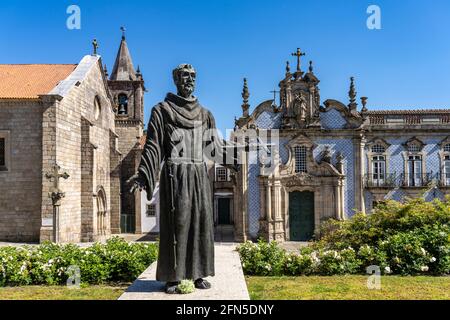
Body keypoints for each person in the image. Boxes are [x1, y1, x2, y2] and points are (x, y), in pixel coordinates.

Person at [128, 64, 239, 294]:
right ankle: (173, 277)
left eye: (193, 77)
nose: (190, 80)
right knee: (178, 226)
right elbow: (154, 145)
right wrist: (144, 174)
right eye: (185, 76)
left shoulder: (205, 114)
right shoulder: (162, 110)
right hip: (175, 176)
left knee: (201, 224)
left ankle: (198, 274)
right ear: (176, 80)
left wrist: (239, 157)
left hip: (199, 176)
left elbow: (214, 147)